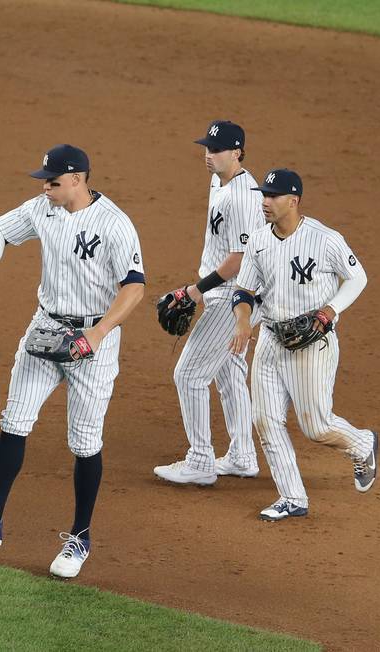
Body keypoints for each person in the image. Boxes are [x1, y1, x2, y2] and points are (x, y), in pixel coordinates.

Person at [0, 144, 146, 579]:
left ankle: (80, 537)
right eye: (43, 180)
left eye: (53, 181)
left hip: (95, 337)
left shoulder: (114, 224)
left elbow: (134, 287)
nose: (45, 187)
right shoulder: (43, 208)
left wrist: (96, 334)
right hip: (46, 328)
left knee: (84, 442)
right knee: (14, 420)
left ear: (78, 179)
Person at [229, 169, 377, 521]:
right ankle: (292, 497)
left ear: (292, 201)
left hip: (313, 343)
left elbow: (358, 277)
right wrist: (242, 321)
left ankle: (361, 444)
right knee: (265, 420)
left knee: (317, 427)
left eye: (272, 196)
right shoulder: (259, 241)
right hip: (270, 339)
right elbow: (244, 290)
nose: (264, 202)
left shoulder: (325, 239)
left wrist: (330, 309)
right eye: (263, 195)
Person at [153, 120, 263, 486]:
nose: (208, 155)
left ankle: (200, 460)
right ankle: (243, 456)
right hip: (225, 291)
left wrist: (194, 291)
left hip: (235, 297)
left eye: (216, 150)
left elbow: (239, 260)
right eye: (206, 148)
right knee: (229, 370)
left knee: (188, 375)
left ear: (237, 152)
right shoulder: (219, 180)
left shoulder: (245, 196)